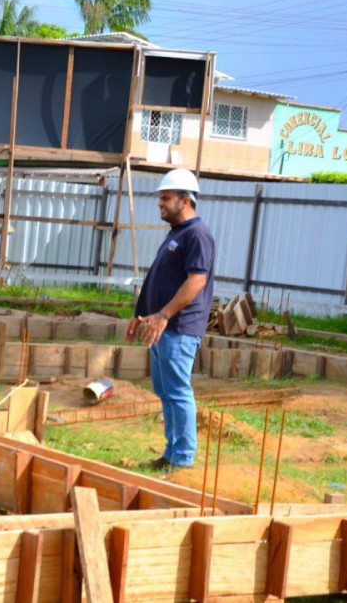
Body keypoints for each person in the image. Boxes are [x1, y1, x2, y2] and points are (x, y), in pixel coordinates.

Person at [125, 168, 215, 473]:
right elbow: (158, 279)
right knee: (165, 392)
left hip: (178, 328)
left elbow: (196, 281)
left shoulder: (197, 235)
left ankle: (183, 459)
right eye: (161, 198)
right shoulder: (176, 234)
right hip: (160, 326)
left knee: (178, 391)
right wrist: (140, 316)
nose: (160, 203)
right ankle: (171, 452)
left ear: (186, 200)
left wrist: (164, 315)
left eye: (166, 198)